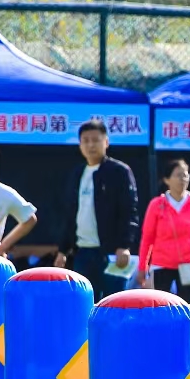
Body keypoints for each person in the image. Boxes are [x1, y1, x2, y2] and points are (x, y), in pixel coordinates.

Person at [54, 119, 140, 301]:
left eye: (96, 140)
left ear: (106, 142)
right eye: (86, 140)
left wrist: (124, 246)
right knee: (84, 302)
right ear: (80, 145)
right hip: (83, 252)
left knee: (113, 302)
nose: (91, 145)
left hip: (110, 253)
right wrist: (63, 250)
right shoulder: (77, 173)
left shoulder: (119, 172)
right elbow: (70, 215)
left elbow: (129, 211)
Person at [135, 158, 190, 304]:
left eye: (185, 175)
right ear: (167, 179)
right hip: (161, 264)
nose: (182, 179)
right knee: (162, 305)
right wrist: (142, 267)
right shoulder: (157, 205)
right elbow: (147, 238)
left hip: (189, 263)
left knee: (187, 305)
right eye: (178, 175)